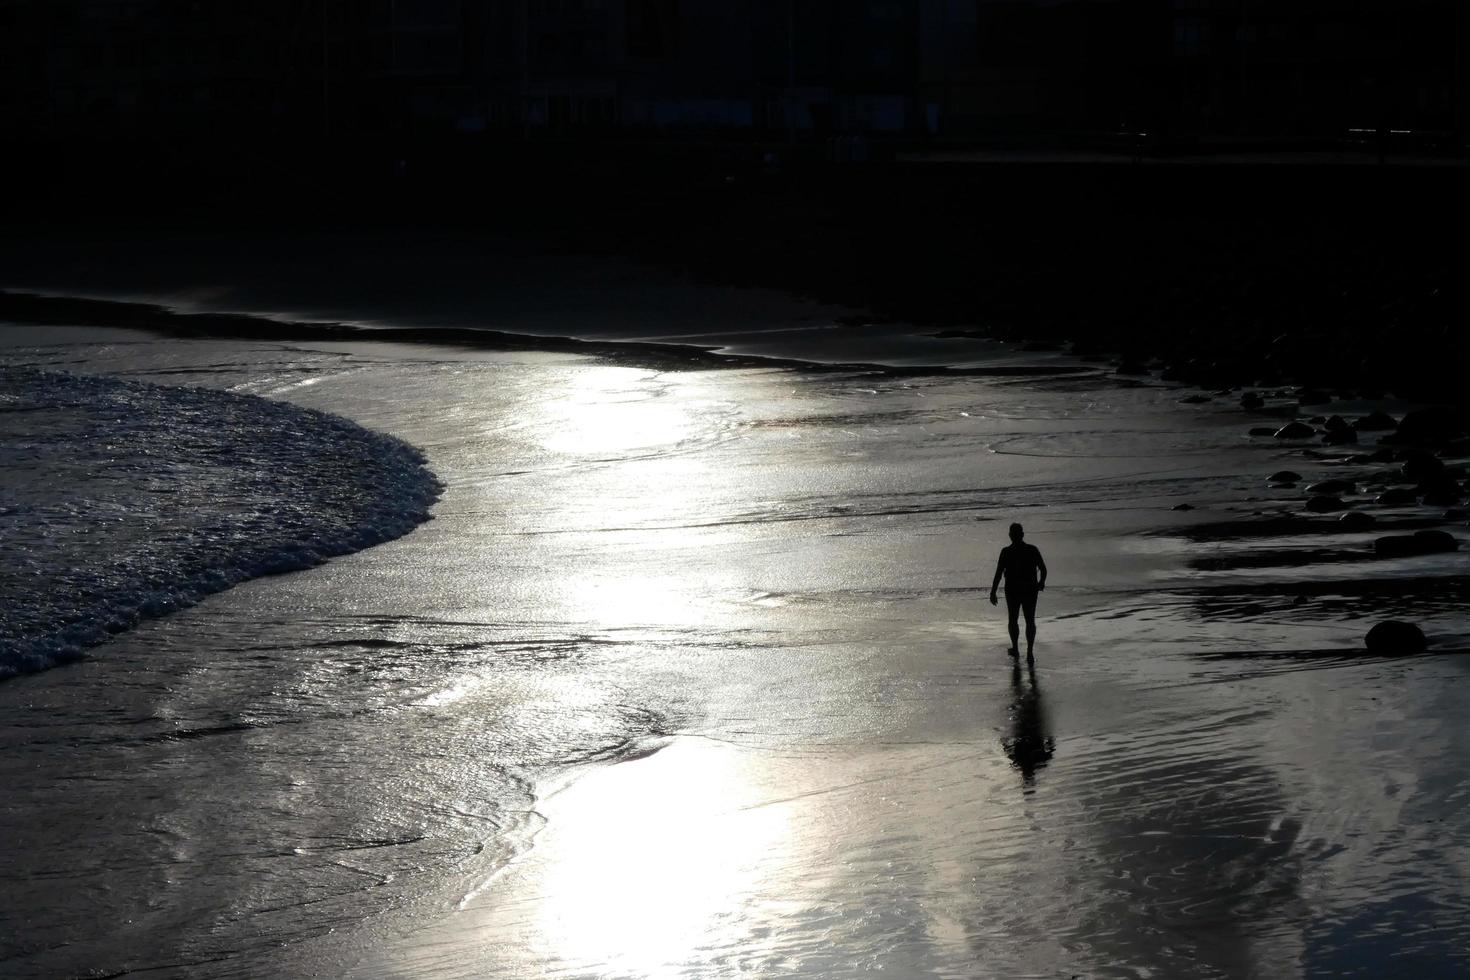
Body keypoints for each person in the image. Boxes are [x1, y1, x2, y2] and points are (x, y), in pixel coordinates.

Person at [989, 522, 1047, 660]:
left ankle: (1015, 648)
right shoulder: (1032, 550)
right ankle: (1029, 652)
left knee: (1013, 619)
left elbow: (998, 573)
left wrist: (993, 592)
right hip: (1030, 589)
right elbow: (1044, 569)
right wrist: (1041, 582)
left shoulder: (1006, 552)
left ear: (1010, 536)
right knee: (1030, 620)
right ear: (1022, 535)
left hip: (1013, 589)